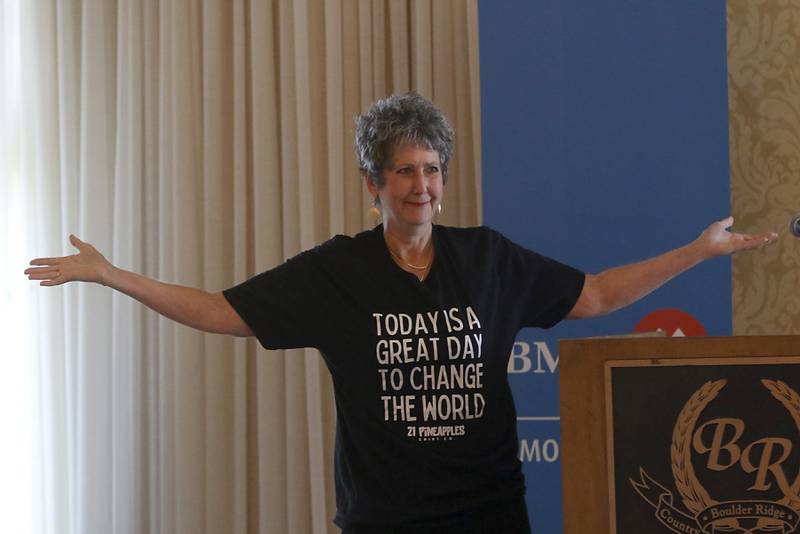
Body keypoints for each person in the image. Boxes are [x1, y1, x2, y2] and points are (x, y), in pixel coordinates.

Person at [24, 92, 777, 533]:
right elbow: (224, 311)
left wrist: (695, 251)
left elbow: (600, 293)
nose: (422, 185)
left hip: (489, 513)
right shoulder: (337, 271)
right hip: (386, 520)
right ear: (373, 185)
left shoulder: (486, 258)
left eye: (433, 169)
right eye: (405, 171)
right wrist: (113, 276)